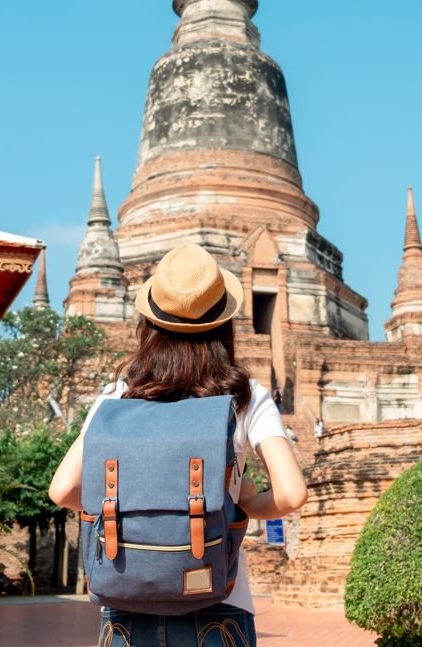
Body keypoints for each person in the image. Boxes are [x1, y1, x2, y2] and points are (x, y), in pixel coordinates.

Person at [49, 244, 308, 647]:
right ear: (223, 324)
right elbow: (291, 494)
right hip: (220, 603)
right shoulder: (245, 396)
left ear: (149, 324)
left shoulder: (118, 396)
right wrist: (241, 503)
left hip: (126, 603)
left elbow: (62, 490)